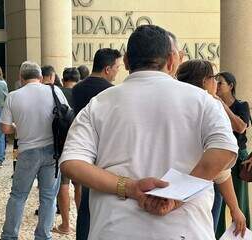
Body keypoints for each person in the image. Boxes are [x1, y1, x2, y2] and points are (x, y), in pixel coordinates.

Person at [59, 25, 238, 240]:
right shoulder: (204, 101)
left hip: (114, 229)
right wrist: (177, 196)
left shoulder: (98, 104)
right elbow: (224, 149)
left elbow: (72, 163)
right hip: (186, 230)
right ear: (172, 61)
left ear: (126, 61)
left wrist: (130, 187)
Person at [176, 60, 246, 237]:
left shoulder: (171, 102)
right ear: (205, 81)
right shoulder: (209, 105)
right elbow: (222, 159)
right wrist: (235, 209)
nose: (216, 83)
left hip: (159, 191)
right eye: (214, 78)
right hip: (194, 196)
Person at [0, 61, 69, 240]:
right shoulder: (55, 91)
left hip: (27, 152)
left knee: (18, 196)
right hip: (52, 152)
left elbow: (5, 128)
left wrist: (18, 126)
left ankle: (9, 236)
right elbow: (66, 116)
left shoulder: (13, 96)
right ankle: (43, 236)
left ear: (21, 78)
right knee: (48, 197)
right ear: (40, 77)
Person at [71, 48, 122, 240]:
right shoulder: (110, 92)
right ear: (108, 69)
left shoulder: (77, 89)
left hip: (83, 149)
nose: (118, 72)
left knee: (85, 202)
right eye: (117, 68)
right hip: (105, 151)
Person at [215, 71, 251, 238]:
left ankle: (243, 234)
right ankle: (218, 235)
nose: (216, 85)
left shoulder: (241, 105)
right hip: (219, 157)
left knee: (239, 200)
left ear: (231, 86)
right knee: (218, 202)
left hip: (238, 158)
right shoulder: (212, 104)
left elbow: (241, 127)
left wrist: (223, 105)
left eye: (220, 83)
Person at [52, 67, 81, 235]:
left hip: (61, 144)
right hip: (80, 145)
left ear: (63, 80)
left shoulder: (57, 93)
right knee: (79, 184)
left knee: (63, 184)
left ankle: (65, 224)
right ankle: (82, 219)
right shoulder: (82, 93)